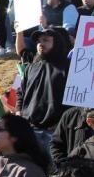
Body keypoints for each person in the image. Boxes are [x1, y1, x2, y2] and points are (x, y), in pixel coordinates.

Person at [14, 27, 70, 156]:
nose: (40, 44)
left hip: (55, 134)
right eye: (39, 41)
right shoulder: (31, 67)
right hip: (30, 130)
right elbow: (21, 92)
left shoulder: (69, 67)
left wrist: (62, 125)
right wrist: (18, 112)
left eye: (46, 40)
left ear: (56, 43)